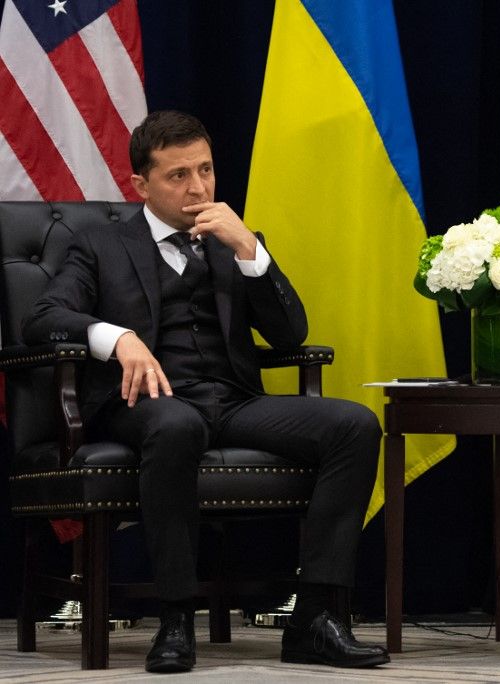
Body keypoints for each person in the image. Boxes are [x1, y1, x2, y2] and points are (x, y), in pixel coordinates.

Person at [23, 110, 389, 673]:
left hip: (235, 400)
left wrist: (251, 253)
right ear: (141, 185)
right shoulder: (101, 245)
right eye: (178, 176)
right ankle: (175, 618)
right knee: (176, 425)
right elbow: (43, 317)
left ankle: (316, 617)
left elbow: (292, 335)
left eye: (206, 170)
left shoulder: (232, 242)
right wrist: (116, 337)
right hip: (142, 406)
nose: (198, 187)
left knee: (354, 425)